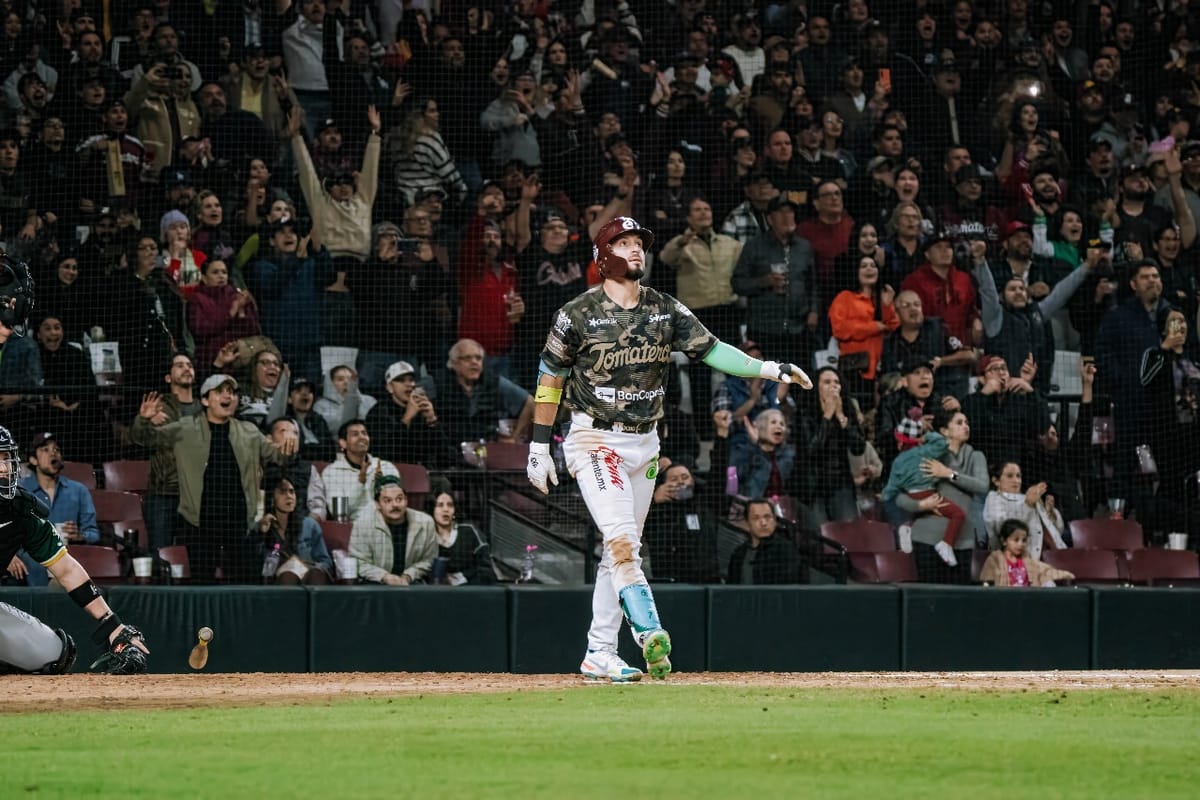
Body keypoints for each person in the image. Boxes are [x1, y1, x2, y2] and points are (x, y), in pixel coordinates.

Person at [527, 215, 812, 682]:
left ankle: (598, 652)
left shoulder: (664, 308)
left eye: (639, 242)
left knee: (619, 549)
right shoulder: (576, 314)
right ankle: (648, 630)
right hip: (594, 438)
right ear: (603, 256)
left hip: (646, 442)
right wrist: (539, 447)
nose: (636, 249)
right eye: (624, 242)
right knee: (620, 540)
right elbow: (548, 381)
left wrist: (772, 370)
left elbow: (714, 350)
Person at [0, 269, 149, 676]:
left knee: (55, 655)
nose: (5, 467)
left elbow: (66, 568)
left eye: (7, 458)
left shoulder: (18, 511)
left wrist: (112, 625)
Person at [130, 374, 298, 582]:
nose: (228, 396)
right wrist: (144, 420)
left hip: (238, 521)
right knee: (203, 584)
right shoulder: (186, 428)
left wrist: (288, 449)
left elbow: (276, 456)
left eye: (232, 392)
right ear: (205, 400)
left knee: (244, 585)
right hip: (199, 523)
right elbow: (145, 438)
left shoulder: (249, 431)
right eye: (220, 391)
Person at [892, 407, 989, 583]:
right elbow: (900, 496)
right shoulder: (928, 455)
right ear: (944, 430)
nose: (966, 426)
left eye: (967, 422)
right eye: (959, 423)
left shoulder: (976, 456)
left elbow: (982, 486)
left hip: (963, 542)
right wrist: (920, 506)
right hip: (927, 538)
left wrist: (948, 474)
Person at [11, 432, 100, 586]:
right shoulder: (20, 491)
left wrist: (80, 535)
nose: (53, 452)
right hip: (30, 566)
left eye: (56, 449)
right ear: (33, 459)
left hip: (67, 559)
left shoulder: (78, 491)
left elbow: (93, 534)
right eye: (45, 449)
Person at [883, 430, 965, 566]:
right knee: (958, 514)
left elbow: (892, 487)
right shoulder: (927, 451)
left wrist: (886, 497)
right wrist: (926, 436)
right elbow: (942, 442)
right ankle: (946, 544)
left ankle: (905, 525)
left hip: (912, 494)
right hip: (928, 495)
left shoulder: (898, 461)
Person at [349, 475, 438, 585]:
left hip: (412, 584)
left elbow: (429, 560)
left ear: (406, 500)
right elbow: (359, 562)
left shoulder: (425, 523)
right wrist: (384, 577)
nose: (395, 505)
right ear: (377, 504)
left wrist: (409, 576)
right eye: (388, 500)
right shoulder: (363, 524)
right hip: (376, 584)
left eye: (399, 499)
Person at [254, 476, 333, 585]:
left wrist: (309, 566)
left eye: (292, 492)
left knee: (316, 574)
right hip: (277, 582)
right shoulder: (262, 526)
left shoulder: (310, 525)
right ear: (272, 498)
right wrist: (261, 533)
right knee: (288, 577)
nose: (289, 496)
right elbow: (252, 563)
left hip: (308, 578)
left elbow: (326, 562)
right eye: (283, 492)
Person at [983, 461, 1067, 560]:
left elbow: (1059, 531)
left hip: (1055, 553)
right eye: (1010, 476)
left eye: (1018, 476)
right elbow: (1002, 528)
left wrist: (1052, 514)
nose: (1016, 481)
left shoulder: (1028, 497)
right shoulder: (994, 498)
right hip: (1022, 559)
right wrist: (1027, 505)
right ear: (996, 481)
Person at [321, 420, 400, 523]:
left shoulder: (386, 466)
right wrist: (360, 482)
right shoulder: (331, 473)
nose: (362, 437)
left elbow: (397, 503)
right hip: (354, 529)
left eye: (364, 433)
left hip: (387, 524)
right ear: (343, 443)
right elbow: (340, 514)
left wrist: (379, 487)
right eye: (355, 434)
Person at [726, 497, 806, 585]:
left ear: (775, 521)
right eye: (756, 518)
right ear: (748, 523)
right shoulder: (739, 554)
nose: (763, 523)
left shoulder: (785, 550)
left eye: (767, 517)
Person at [979, 518, 1074, 587]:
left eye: (1024, 540)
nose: (1021, 544)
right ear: (1004, 541)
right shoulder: (995, 559)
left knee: (1048, 582)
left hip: (1028, 599)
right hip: (1006, 600)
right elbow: (987, 581)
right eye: (1016, 540)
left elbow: (1045, 570)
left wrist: (1065, 574)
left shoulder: (1026, 560)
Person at [428, 490, 494, 585]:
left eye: (450, 505)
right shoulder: (426, 535)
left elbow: (487, 571)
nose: (446, 509)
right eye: (440, 505)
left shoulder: (469, 531)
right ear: (432, 510)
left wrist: (461, 577)